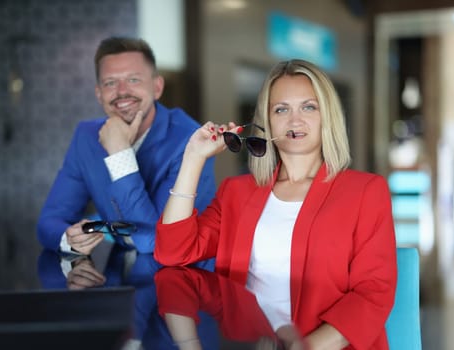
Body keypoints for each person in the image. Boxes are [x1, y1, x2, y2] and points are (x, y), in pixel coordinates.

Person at [154, 59, 397, 349]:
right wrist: (193, 158)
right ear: (267, 121)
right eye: (281, 109)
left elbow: (373, 293)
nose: (295, 121)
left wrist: (306, 347)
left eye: (308, 107)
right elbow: (172, 252)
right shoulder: (236, 192)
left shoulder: (365, 191)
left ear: (327, 116)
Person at [37, 37, 216, 255]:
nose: (122, 91)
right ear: (98, 93)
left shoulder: (191, 140)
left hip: (185, 275)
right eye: (110, 83)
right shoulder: (86, 136)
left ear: (157, 87)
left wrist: (120, 153)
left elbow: (153, 241)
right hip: (117, 273)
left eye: (133, 80)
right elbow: (49, 221)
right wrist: (68, 238)